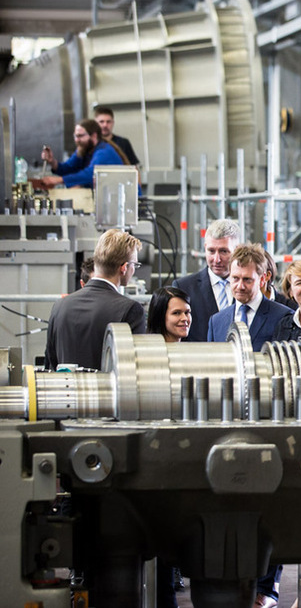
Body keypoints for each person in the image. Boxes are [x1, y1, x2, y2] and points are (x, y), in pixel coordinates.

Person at [146, 286, 191, 608]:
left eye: (187, 312)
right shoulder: (151, 355)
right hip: (158, 459)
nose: (184, 318)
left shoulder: (189, 351)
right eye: (176, 313)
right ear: (160, 316)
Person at [44, 229, 145, 370]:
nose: (134, 269)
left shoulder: (60, 306)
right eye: (134, 264)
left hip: (66, 390)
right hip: (106, 391)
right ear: (124, 268)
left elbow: (50, 365)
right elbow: (133, 370)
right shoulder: (130, 310)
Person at [206, 243, 293, 352]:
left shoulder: (283, 317)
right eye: (235, 278)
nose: (240, 286)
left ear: (262, 279)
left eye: (247, 280)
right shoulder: (216, 322)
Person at [173, 219, 241, 342]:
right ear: (205, 248)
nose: (216, 259)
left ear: (237, 250)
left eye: (223, 251)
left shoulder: (250, 288)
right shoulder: (184, 288)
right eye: (211, 251)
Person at [36, 118, 124, 189]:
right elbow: (68, 168)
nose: (77, 140)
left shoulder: (104, 152)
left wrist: (59, 180)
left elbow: (91, 174)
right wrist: (52, 162)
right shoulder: (83, 150)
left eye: (80, 136)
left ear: (93, 136)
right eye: (75, 136)